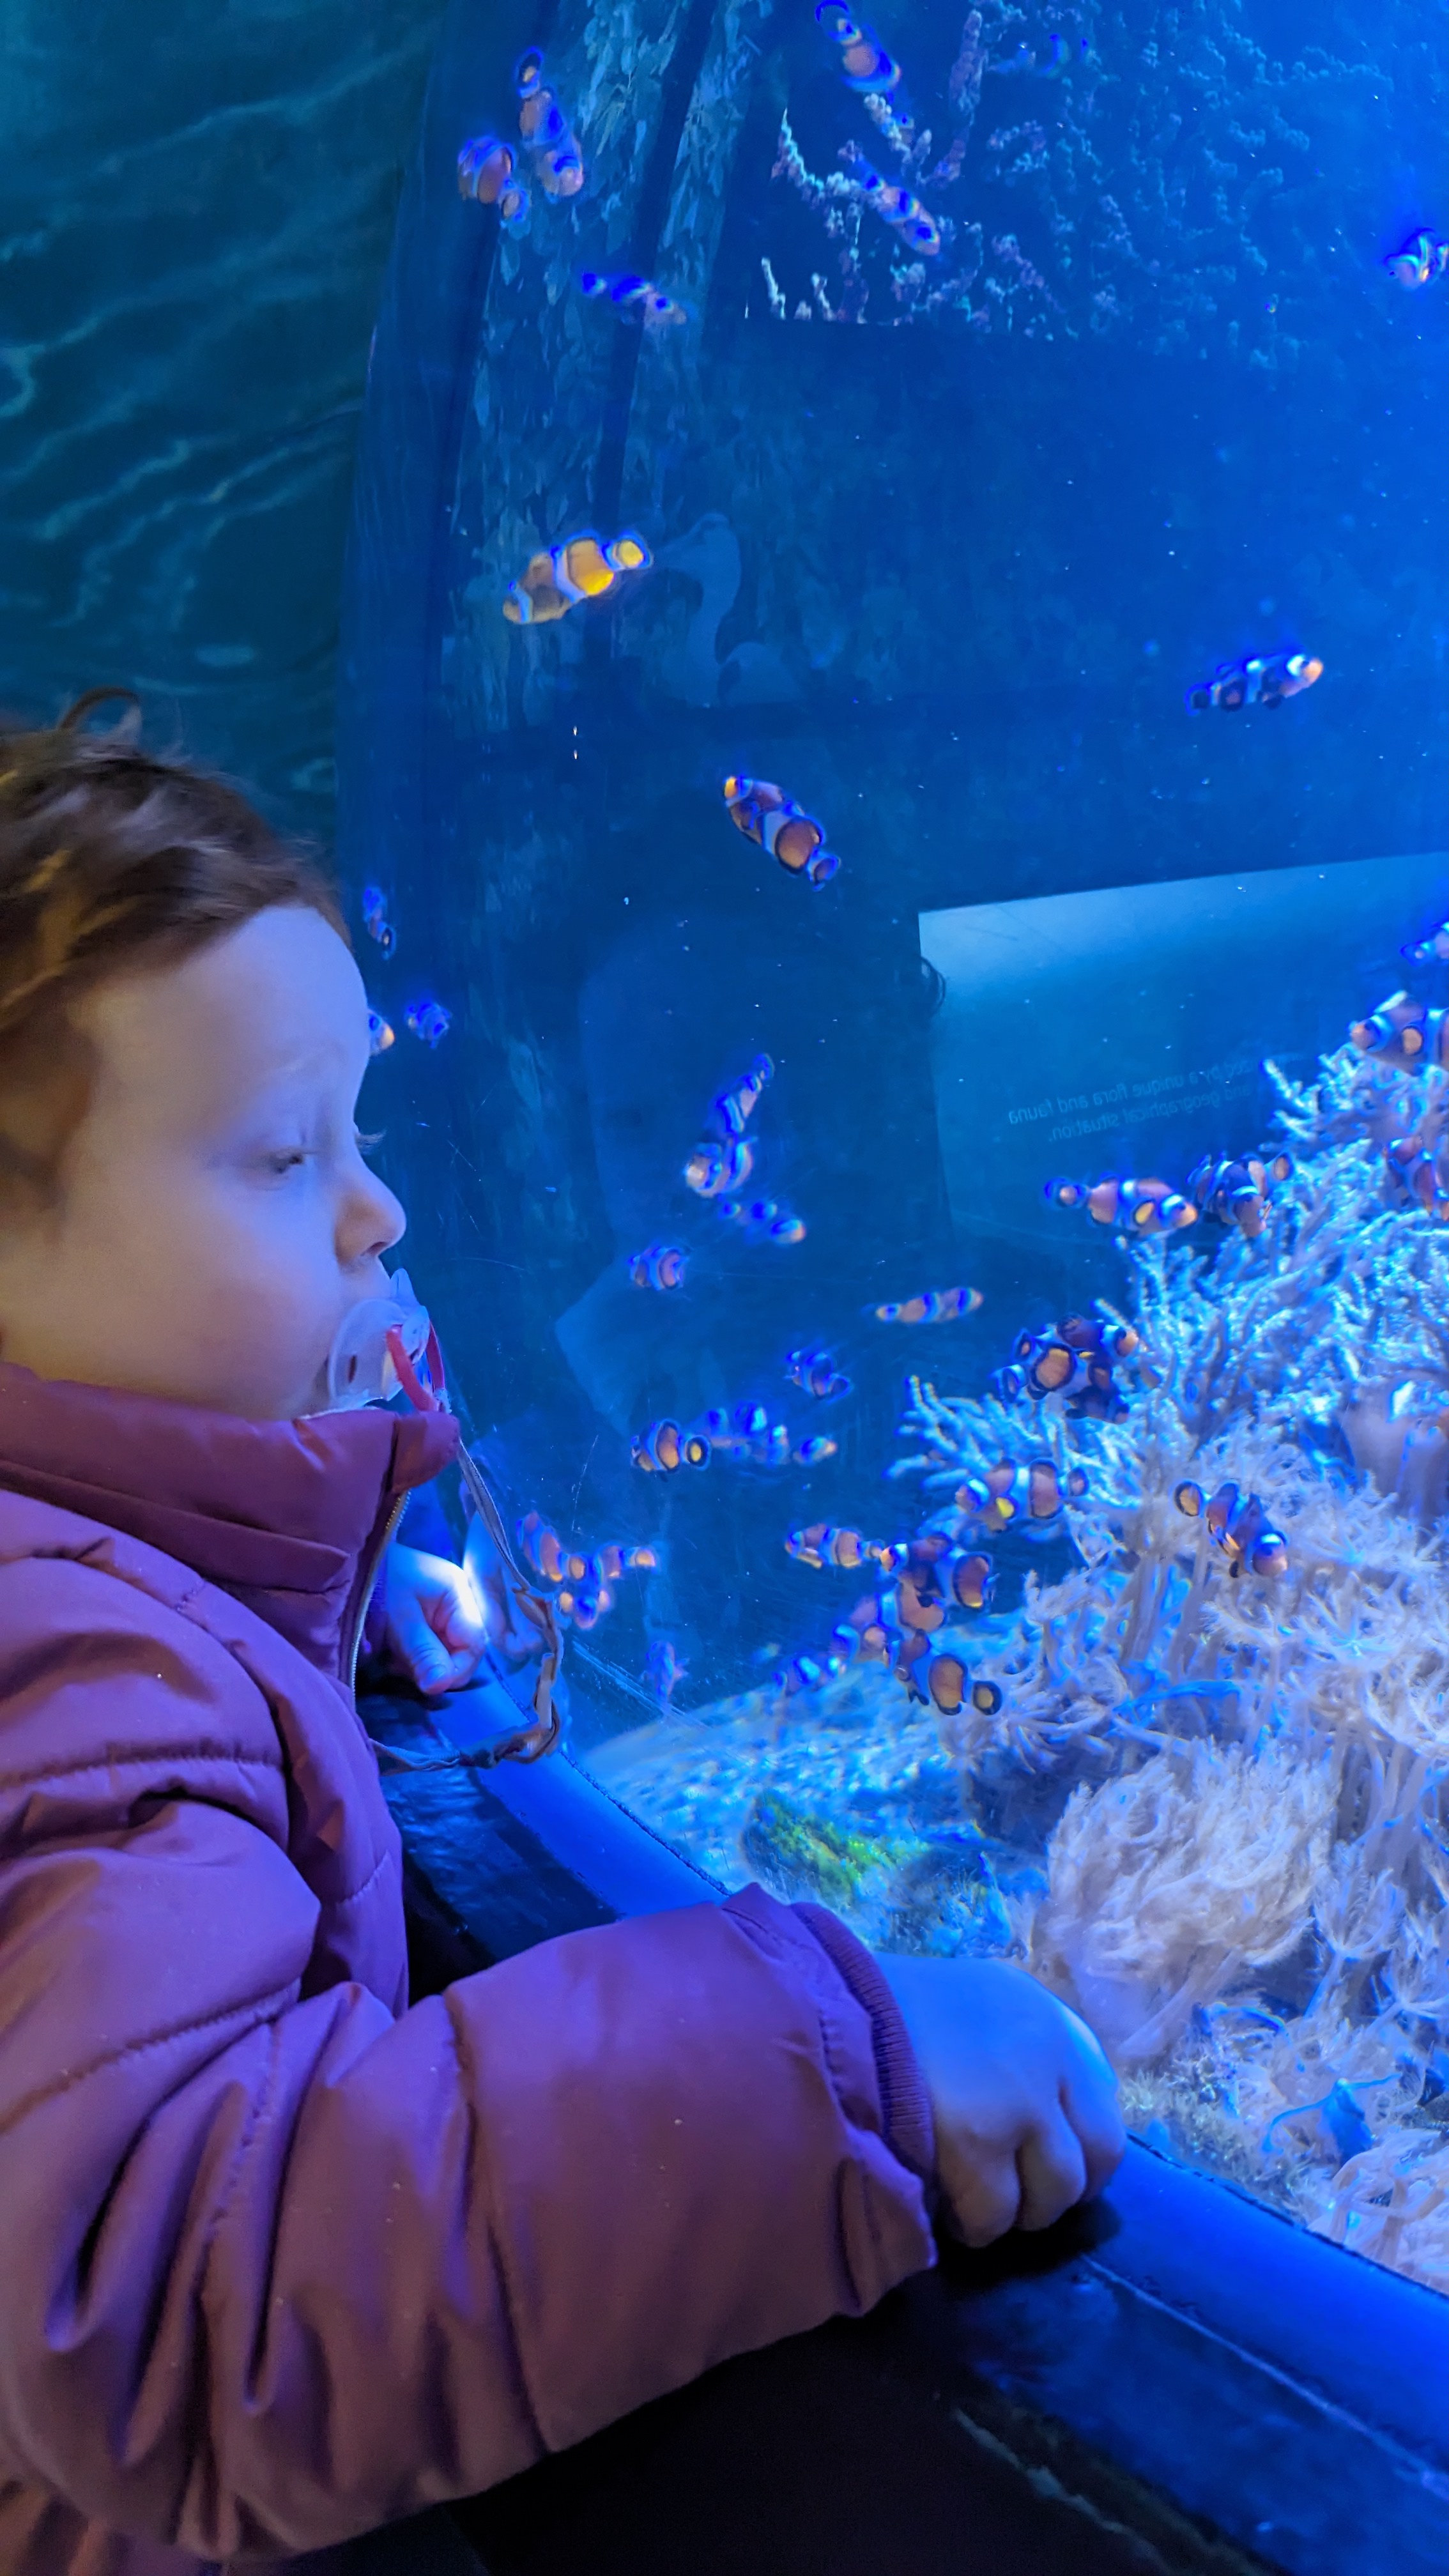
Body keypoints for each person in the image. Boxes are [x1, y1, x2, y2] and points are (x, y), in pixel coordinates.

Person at [0, 697, 1124, 2575]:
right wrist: (825, 2071)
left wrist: (321, 1618)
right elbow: (191, 2310)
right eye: (282, 1157)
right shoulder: (74, 1688)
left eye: (361, 1132)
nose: (380, 1206)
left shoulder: (97, 1603)